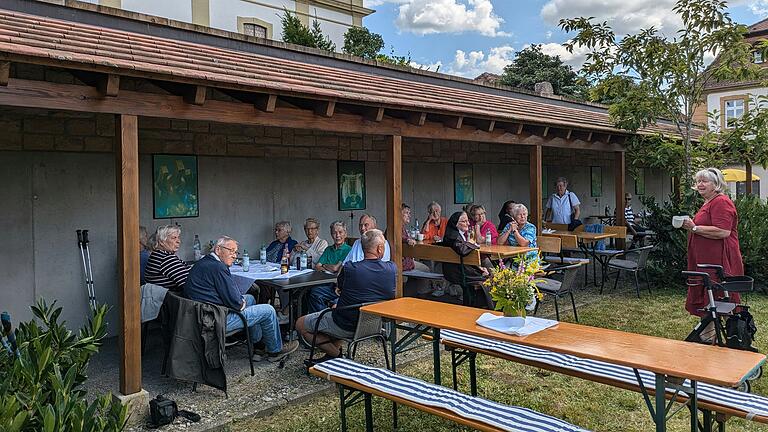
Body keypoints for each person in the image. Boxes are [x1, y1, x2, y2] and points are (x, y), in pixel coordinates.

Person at [184, 236, 299, 362]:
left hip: (202, 314)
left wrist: (239, 300)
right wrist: (240, 301)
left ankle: (258, 346)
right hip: (214, 321)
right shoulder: (218, 268)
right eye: (231, 251)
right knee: (268, 310)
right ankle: (275, 351)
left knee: (250, 298)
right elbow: (237, 304)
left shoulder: (205, 262)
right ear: (218, 249)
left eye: (236, 252)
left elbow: (231, 296)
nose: (234, 256)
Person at [296, 229, 395, 363]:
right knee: (338, 308)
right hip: (374, 324)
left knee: (300, 324)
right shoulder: (391, 269)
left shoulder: (350, 268)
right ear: (380, 248)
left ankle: (337, 356)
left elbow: (339, 289)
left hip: (346, 324)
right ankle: (332, 356)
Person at [682, 168, 744, 317]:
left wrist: (694, 228)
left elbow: (723, 231)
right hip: (706, 258)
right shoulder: (709, 202)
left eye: (704, 181)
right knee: (709, 298)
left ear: (716, 184)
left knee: (715, 296)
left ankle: (710, 333)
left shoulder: (721, 202)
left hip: (718, 259)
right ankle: (709, 332)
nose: (700, 184)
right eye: (698, 181)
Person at [440, 211, 495, 309]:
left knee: (488, 274)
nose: (468, 224)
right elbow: (462, 251)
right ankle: (489, 308)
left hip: (458, 269)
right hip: (457, 272)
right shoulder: (453, 236)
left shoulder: (454, 234)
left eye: (467, 221)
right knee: (489, 279)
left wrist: (480, 269)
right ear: (456, 223)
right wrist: (471, 243)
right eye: (464, 221)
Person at [307, 221, 352, 313]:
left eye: (340, 232)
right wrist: (328, 267)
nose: (337, 235)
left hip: (336, 285)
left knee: (314, 293)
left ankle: (322, 318)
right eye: (334, 232)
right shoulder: (328, 249)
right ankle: (318, 318)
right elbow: (317, 267)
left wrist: (324, 265)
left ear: (345, 234)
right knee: (306, 292)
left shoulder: (348, 250)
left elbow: (336, 268)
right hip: (323, 281)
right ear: (331, 234)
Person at [144, 225, 190, 291]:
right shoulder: (166, 259)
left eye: (178, 237)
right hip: (172, 299)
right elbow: (190, 285)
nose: (178, 241)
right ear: (162, 242)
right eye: (174, 238)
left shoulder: (156, 255)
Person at [401, 204, 430, 272]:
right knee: (426, 270)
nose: (409, 215)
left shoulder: (402, 227)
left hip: (407, 261)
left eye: (409, 213)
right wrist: (407, 240)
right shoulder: (396, 226)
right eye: (406, 213)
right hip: (402, 263)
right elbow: (397, 237)